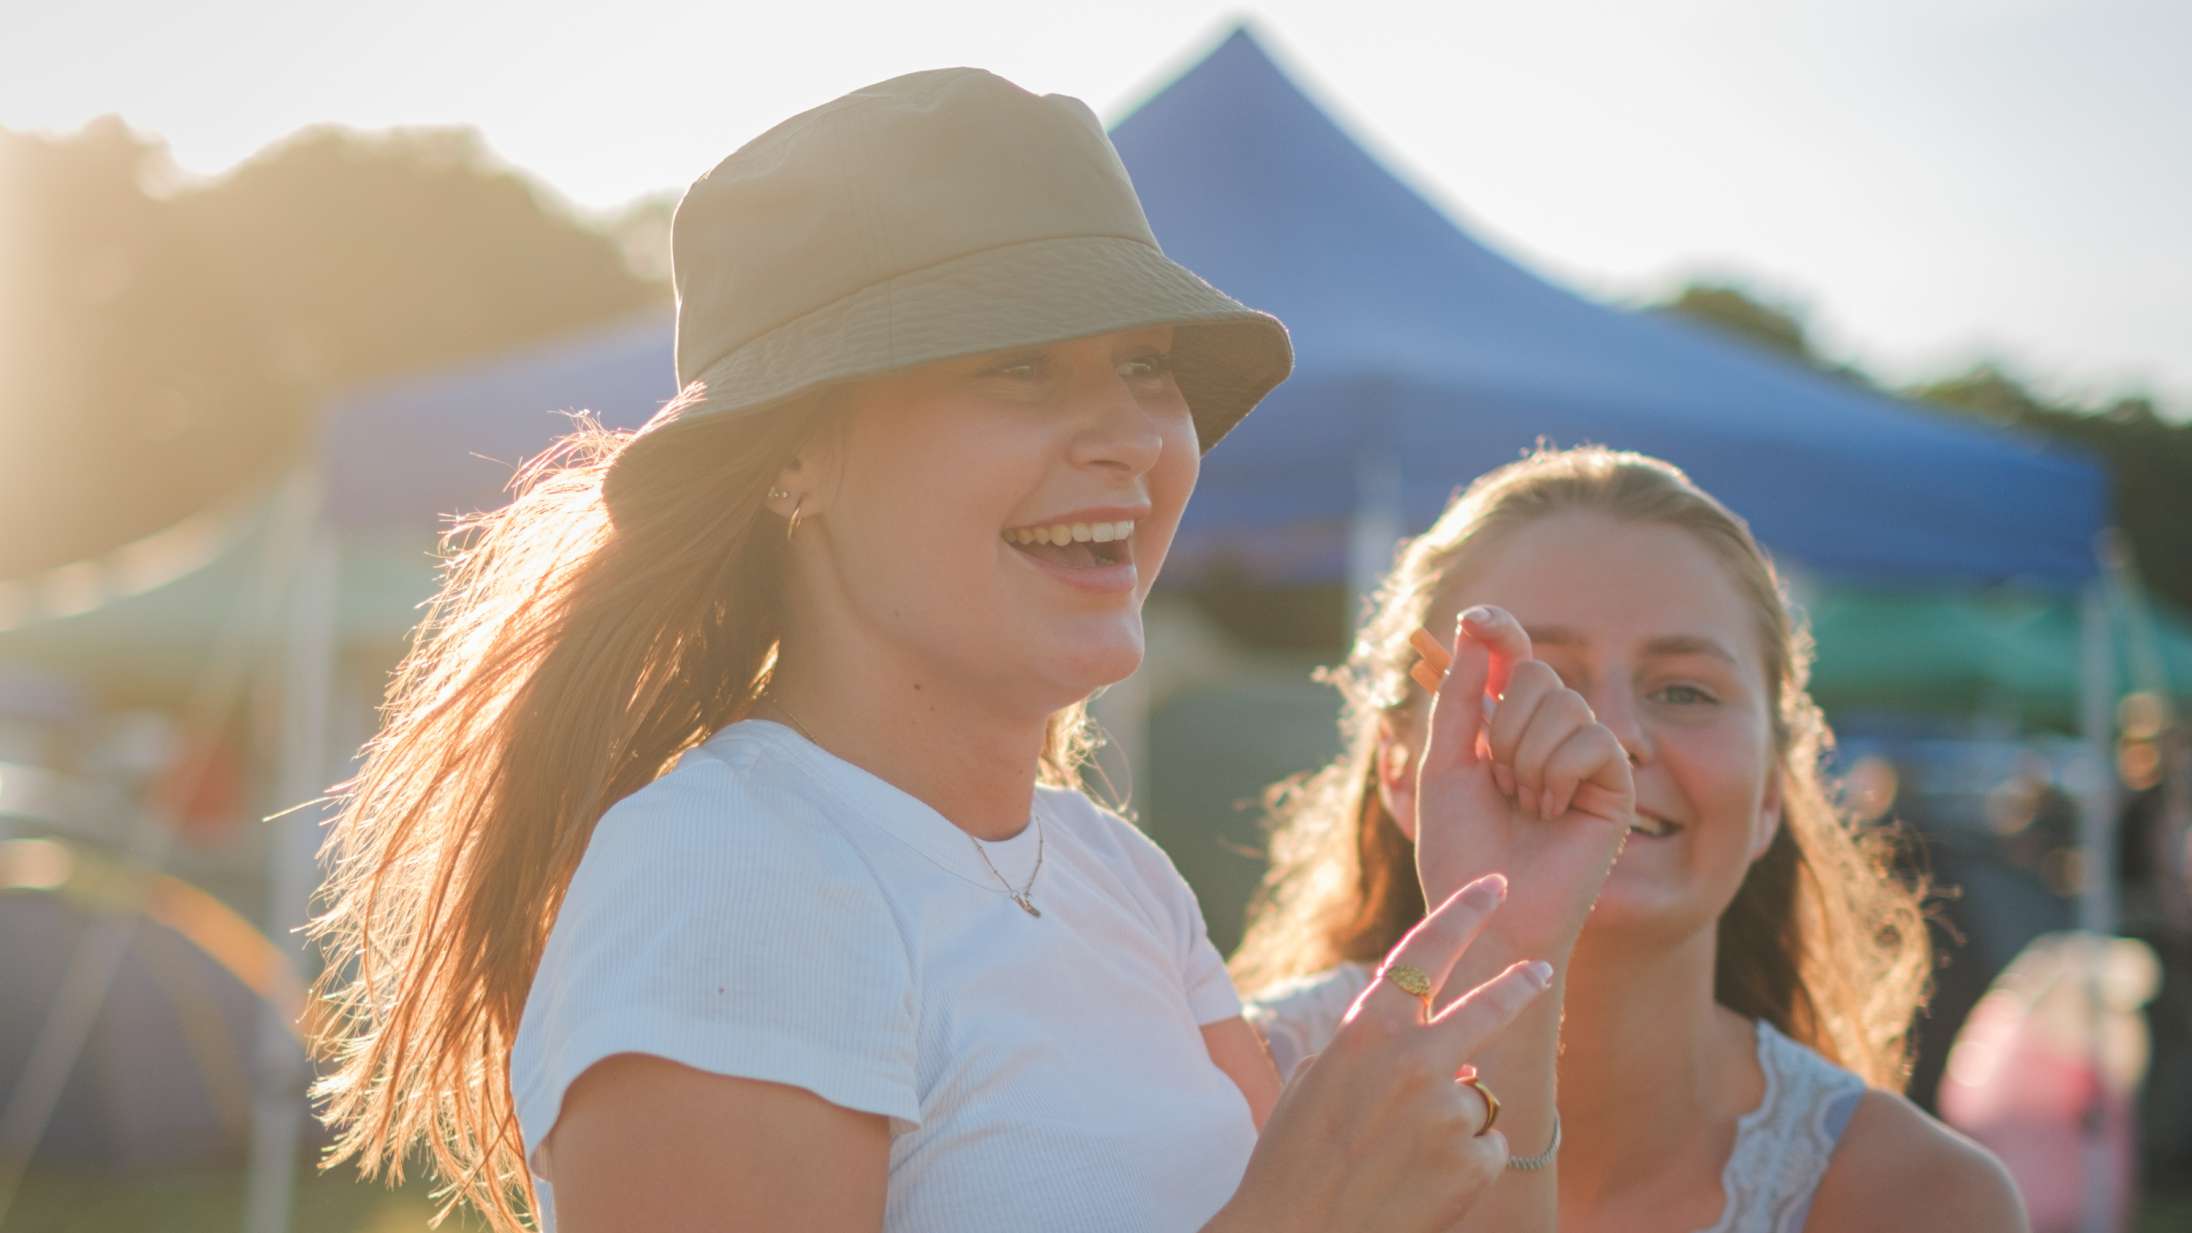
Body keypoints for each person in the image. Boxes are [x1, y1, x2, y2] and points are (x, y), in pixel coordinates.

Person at [305, 69, 1602, 1233]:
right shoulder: (730, 871)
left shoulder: (1115, 878)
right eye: (1020, 367)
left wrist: (1507, 947)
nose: (1129, 435)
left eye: (1147, 364)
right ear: (795, 459)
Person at [1236, 446, 2029, 1232]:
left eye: (1684, 690)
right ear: (1400, 768)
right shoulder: (1231, 1093)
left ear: (1770, 792)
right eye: (1532, 681)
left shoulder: (1923, 1199)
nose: (1613, 738)